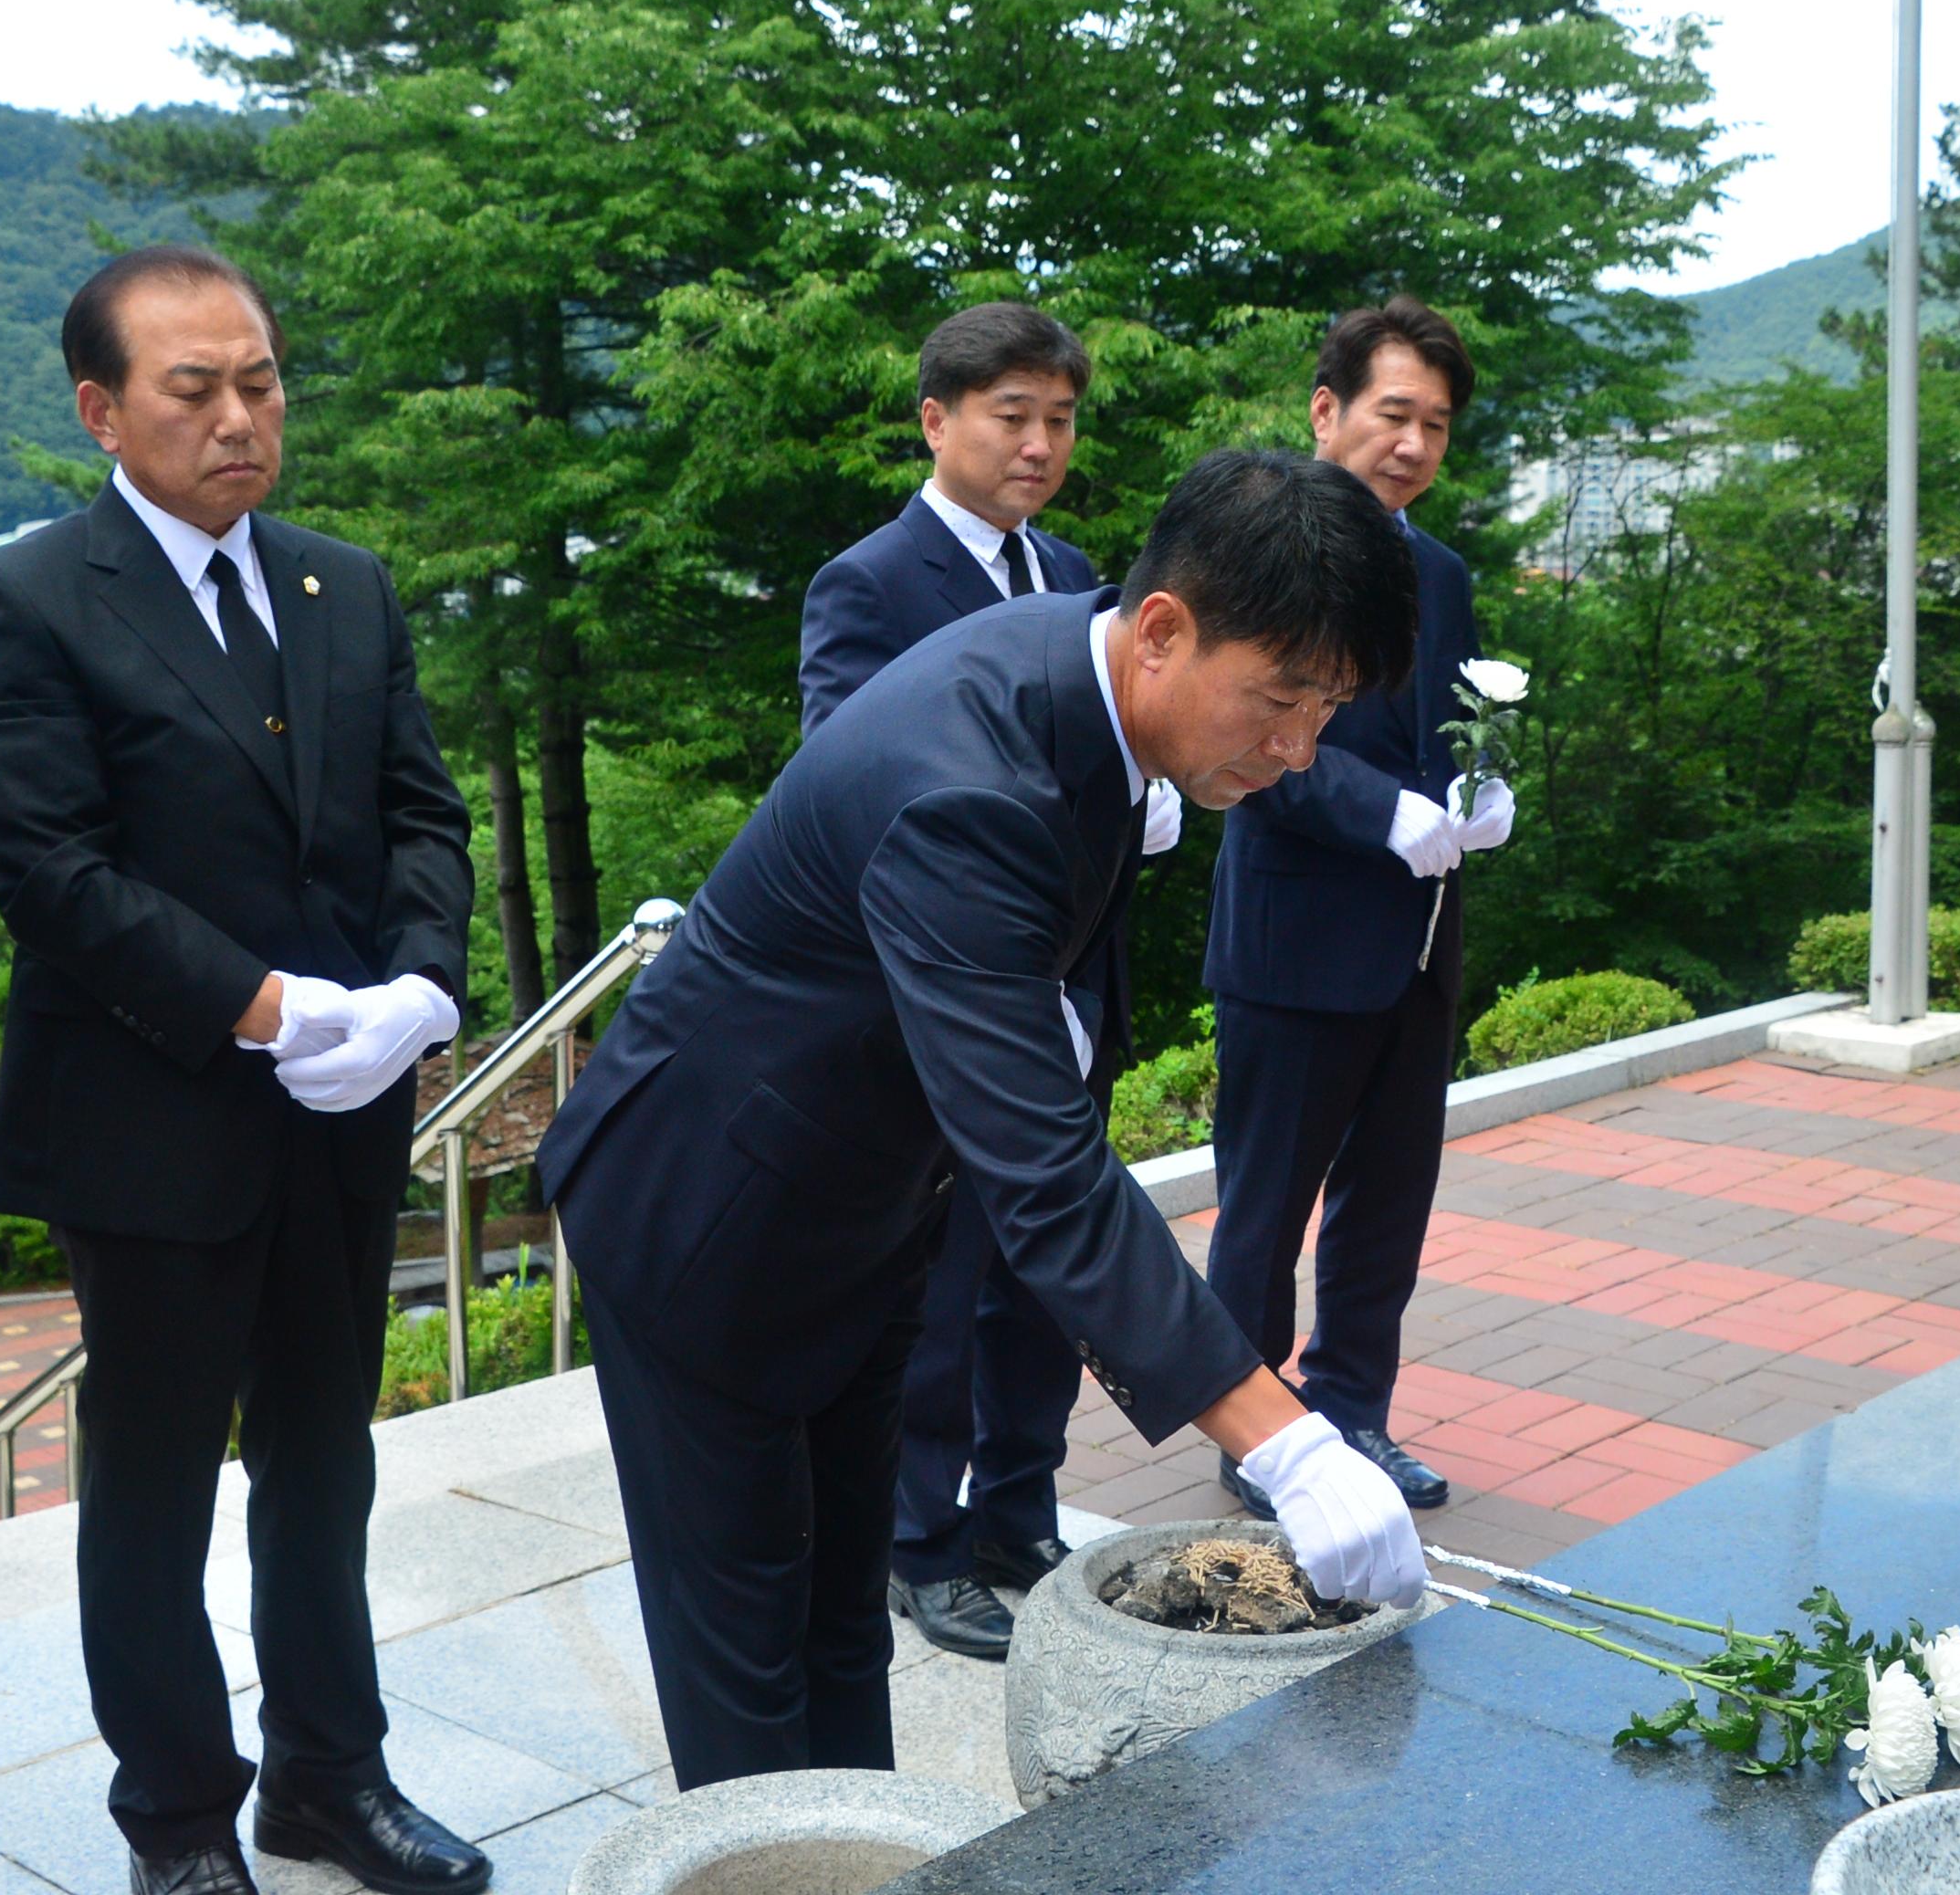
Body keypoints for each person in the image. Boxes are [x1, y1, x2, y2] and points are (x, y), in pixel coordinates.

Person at [540, 447, 1431, 1792]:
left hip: (866, 1197)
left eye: (1330, 712)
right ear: (1167, 630)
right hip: (705, 1212)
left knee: (846, 1612)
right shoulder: (969, 782)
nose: (1299, 750)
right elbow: (1046, 1171)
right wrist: (1283, 1436)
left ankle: (863, 1869)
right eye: (1282, 701)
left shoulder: (1079, 667)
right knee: (744, 1649)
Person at [0, 246, 480, 1895]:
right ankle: (175, 1821)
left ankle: (331, 1775)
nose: (242, 418)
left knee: (327, 1461)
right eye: (197, 390)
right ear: (104, 407)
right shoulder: (24, 598)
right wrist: (270, 1012)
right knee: (156, 1493)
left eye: (261, 381)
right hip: (153, 1116)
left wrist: (417, 993)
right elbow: (54, 874)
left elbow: (420, 816)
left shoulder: (344, 582)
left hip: (341, 1123)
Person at [798, 302, 1181, 1659]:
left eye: (1060, 420)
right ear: (936, 420)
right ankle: (918, 1538)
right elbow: (862, 782)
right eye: (1010, 416)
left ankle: (1020, 1511)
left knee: (1044, 1283)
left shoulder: (1075, 570)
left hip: (1074, 987)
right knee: (946, 1290)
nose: (1038, 444)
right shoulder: (871, 581)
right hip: (955, 1003)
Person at [1204, 298, 1513, 1523]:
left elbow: (1449, 728)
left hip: (1420, 942)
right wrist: (1379, 810)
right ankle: (1252, 1430)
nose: (1415, 443)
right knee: (1266, 1204)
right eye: (1394, 413)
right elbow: (1240, 731)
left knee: (1391, 1197)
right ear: (1327, 410)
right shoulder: (1256, 550)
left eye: (1436, 423)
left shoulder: (1440, 570)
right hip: (1295, 938)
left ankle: (1356, 1412)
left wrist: (1479, 795)